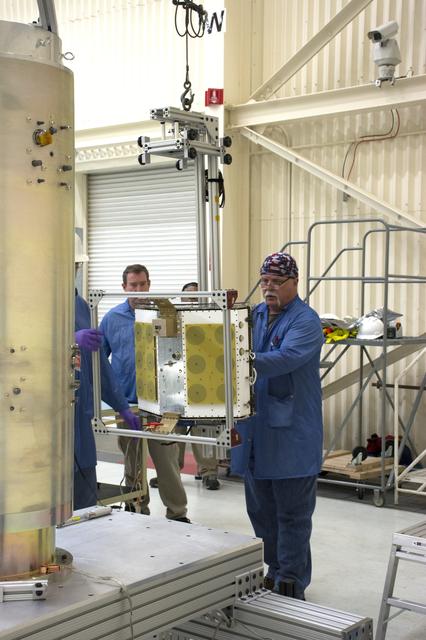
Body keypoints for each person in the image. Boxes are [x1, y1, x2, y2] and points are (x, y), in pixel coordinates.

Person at [232, 252, 324, 600]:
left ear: (294, 283)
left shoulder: (306, 321)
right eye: (264, 281)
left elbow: (286, 358)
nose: (268, 288)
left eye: (276, 282)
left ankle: (292, 584)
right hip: (256, 434)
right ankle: (274, 571)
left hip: (292, 438)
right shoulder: (253, 315)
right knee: (261, 512)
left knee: (292, 516)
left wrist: (239, 360)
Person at [100, 264, 190, 522]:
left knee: (166, 459)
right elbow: (100, 360)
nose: (138, 289)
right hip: (127, 405)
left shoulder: (165, 314)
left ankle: (177, 512)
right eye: (133, 285)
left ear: (149, 284)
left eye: (142, 284)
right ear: (124, 287)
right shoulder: (112, 319)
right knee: (132, 460)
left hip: (161, 406)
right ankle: (137, 507)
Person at [73, 245, 140, 511]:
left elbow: (99, 363)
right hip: (46, 423)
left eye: (75, 266)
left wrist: (122, 406)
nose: (72, 272)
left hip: (79, 417)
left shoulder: (80, 306)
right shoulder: (30, 308)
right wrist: (69, 341)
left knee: (84, 497)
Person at [176, 282, 221, 490]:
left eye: (196, 297)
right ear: (181, 299)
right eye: (189, 297)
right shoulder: (173, 319)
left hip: (203, 383)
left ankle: (209, 472)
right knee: (174, 430)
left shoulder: (210, 319)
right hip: (177, 383)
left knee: (204, 429)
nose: (192, 301)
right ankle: (171, 472)